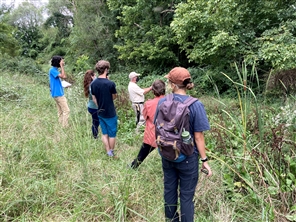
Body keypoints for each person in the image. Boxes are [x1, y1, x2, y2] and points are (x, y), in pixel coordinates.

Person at [156, 67, 212, 222]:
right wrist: (204, 161)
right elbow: (199, 136)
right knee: (186, 197)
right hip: (188, 157)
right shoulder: (196, 105)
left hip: (167, 154)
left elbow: (157, 126)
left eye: (169, 81)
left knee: (169, 190)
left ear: (173, 84)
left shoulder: (162, 102)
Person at [130, 80, 166, 168]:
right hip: (167, 134)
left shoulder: (149, 103)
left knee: (143, 152)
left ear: (153, 91)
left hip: (152, 133)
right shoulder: (171, 101)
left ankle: (133, 166)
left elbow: (145, 117)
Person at [91, 60, 118, 157]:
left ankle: (108, 151)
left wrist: (99, 106)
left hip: (100, 111)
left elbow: (94, 98)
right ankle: (111, 152)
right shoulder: (110, 83)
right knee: (112, 134)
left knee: (104, 132)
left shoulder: (93, 84)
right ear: (106, 69)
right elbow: (114, 97)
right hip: (110, 112)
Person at [49, 55, 70, 127]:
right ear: (58, 62)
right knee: (66, 110)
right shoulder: (52, 70)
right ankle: (65, 126)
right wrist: (62, 66)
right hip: (58, 94)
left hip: (57, 92)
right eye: (62, 61)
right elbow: (64, 76)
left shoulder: (54, 70)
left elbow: (57, 81)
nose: (63, 62)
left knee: (60, 110)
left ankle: (61, 124)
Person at [83, 70, 99, 139]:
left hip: (91, 106)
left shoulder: (89, 84)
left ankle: (95, 135)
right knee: (96, 123)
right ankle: (95, 136)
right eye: (95, 75)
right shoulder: (92, 86)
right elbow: (95, 97)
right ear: (92, 76)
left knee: (95, 122)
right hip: (95, 107)